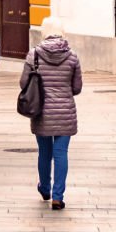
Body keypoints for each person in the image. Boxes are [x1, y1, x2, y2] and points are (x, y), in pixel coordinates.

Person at [19, 32, 83, 211]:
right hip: (65, 113)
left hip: (41, 112)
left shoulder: (34, 55)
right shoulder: (72, 56)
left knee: (44, 152)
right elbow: (77, 88)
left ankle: (45, 188)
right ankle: (57, 196)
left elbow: (23, 82)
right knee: (61, 153)